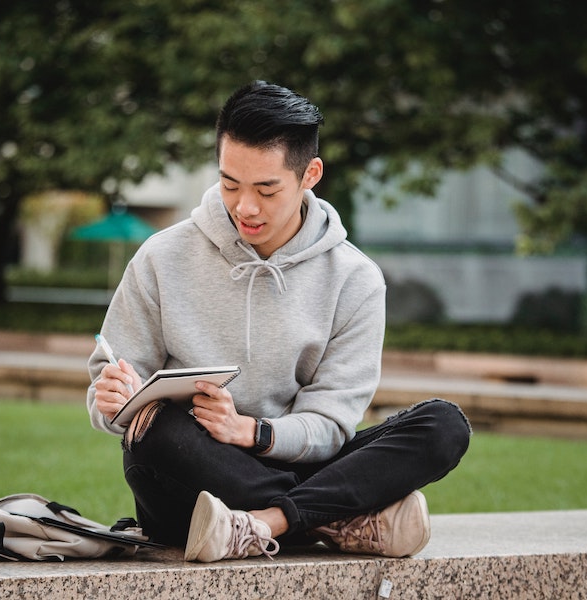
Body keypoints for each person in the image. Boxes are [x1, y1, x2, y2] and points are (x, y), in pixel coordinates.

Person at [87, 80, 471, 563]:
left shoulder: (355, 279)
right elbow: (112, 392)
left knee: (442, 425)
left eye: (266, 189)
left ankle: (266, 525)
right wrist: (112, 400)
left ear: (310, 174)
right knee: (152, 430)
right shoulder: (161, 257)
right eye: (230, 184)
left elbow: (332, 424)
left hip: (290, 459)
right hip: (193, 478)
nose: (244, 207)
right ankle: (336, 517)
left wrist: (253, 432)